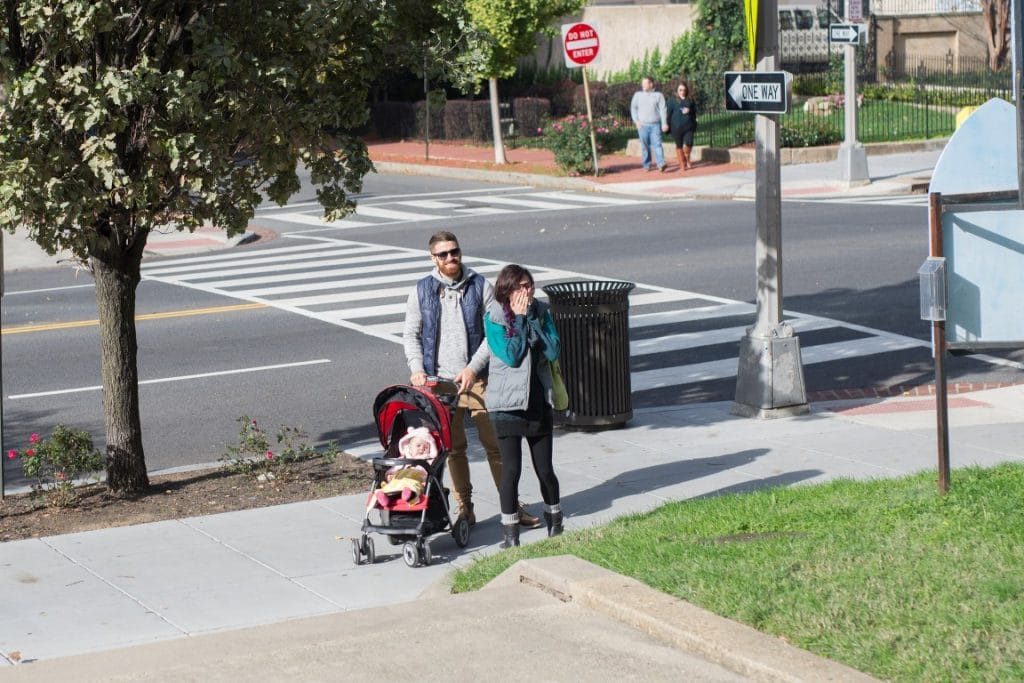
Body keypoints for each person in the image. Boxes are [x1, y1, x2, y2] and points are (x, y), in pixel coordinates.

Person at [403, 231, 541, 529]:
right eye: (443, 254)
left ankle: (512, 507)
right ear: (433, 258)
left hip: (478, 380)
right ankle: (465, 508)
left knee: (496, 446)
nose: (450, 258)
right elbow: (411, 334)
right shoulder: (421, 290)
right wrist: (417, 368)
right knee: (454, 449)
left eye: (454, 251)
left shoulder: (480, 286)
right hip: (438, 382)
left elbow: (494, 331)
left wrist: (472, 368)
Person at [483, 264, 564, 549]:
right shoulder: (494, 317)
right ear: (506, 291)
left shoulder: (541, 313)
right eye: (519, 287)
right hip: (506, 405)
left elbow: (554, 351)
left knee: (545, 469)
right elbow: (512, 356)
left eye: (529, 285)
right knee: (511, 471)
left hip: (537, 403)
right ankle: (510, 534)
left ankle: (556, 523)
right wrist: (517, 320)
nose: (526, 292)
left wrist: (532, 322)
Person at [373, 427, 436, 508]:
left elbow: (430, 472)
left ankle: (410, 495)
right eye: (418, 445)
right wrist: (390, 474)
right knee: (389, 486)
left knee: (414, 486)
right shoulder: (403, 459)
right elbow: (395, 468)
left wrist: (425, 481)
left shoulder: (428, 460)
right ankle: (383, 496)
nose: (422, 448)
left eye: (426, 447)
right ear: (409, 448)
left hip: (414, 480)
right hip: (398, 480)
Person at [630, 75, 669, 172]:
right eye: (642, 83)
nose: (643, 85)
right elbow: (633, 108)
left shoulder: (659, 95)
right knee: (645, 146)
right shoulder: (637, 95)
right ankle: (646, 165)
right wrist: (636, 121)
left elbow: (663, 110)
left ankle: (661, 164)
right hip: (642, 125)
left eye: (645, 83)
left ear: (651, 84)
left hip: (655, 125)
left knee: (657, 144)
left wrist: (664, 123)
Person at [667, 81, 698, 172]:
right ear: (677, 91)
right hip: (676, 127)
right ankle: (682, 164)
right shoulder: (672, 101)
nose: (682, 92)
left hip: (688, 126)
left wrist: (690, 111)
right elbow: (668, 114)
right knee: (679, 145)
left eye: (684, 90)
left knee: (689, 142)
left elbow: (694, 113)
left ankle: (687, 156)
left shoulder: (690, 100)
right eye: (680, 90)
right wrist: (666, 125)